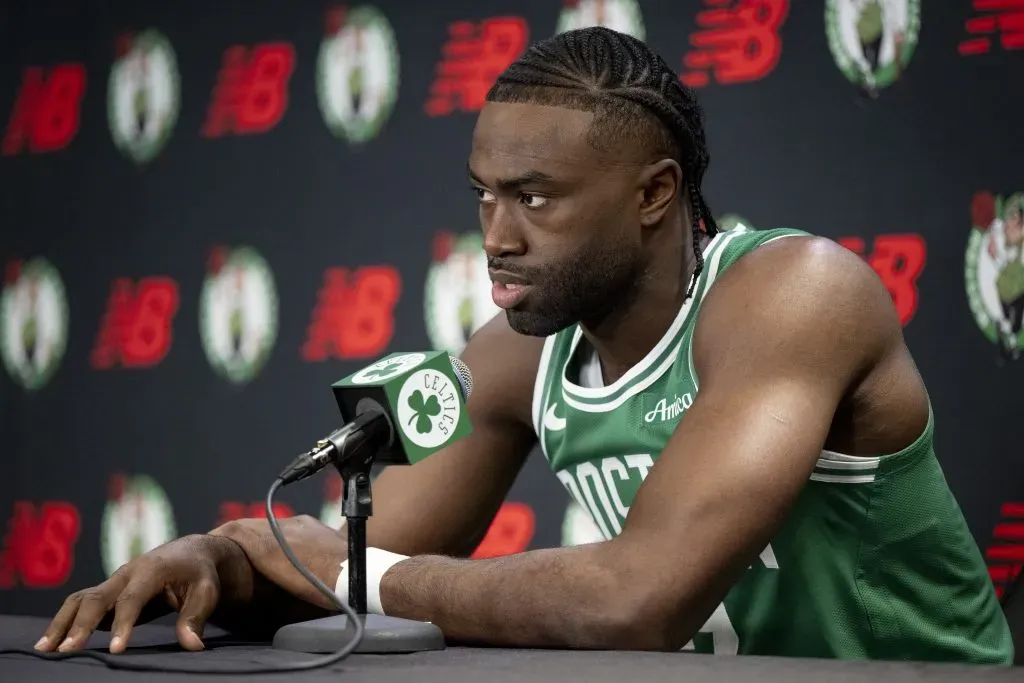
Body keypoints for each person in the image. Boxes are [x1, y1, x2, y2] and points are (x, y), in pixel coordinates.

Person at [36, 27, 1012, 663]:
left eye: (534, 197)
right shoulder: (521, 351)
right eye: (484, 196)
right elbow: (358, 551)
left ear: (653, 194)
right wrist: (221, 559)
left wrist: (360, 577)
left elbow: (635, 598)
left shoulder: (794, 293)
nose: (495, 235)